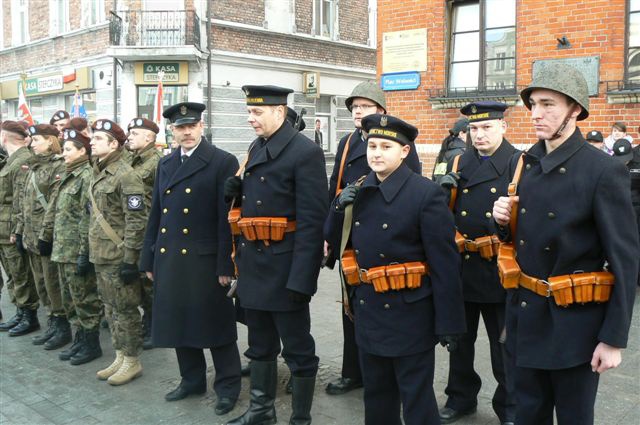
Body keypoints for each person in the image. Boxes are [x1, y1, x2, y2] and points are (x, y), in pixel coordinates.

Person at [492, 64, 638, 425]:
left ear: (575, 109)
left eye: (548, 104)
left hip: (574, 326)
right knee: (526, 415)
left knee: (574, 418)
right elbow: (521, 237)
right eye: (532, 105)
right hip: (525, 317)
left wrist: (613, 339)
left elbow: (625, 260)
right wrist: (499, 222)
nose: (536, 114)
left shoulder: (603, 171)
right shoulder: (523, 162)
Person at [324, 113, 466, 425]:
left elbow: (445, 265)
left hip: (411, 315)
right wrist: (337, 207)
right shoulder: (358, 192)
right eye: (372, 145)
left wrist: (450, 322)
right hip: (369, 311)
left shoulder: (425, 194)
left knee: (416, 400)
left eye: (385, 146)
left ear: (404, 152)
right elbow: (334, 243)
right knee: (376, 398)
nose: (376, 153)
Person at [225, 85, 328, 425]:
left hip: (286, 271)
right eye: (249, 111)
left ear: (279, 112)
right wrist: (236, 194)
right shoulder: (258, 146)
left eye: (257, 112)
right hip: (255, 266)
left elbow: (314, 223)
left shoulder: (304, 152)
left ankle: (300, 419)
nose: (250, 118)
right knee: (259, 345)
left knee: (298, 350)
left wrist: (303, 279)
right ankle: (261, 412)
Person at [139, 102, 242, 415]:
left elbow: (226, 218)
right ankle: (192, 379)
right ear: (172, 129)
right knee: (180, 323)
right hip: (170, 257)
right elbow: (156, 212)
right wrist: (148, 258)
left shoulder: (222, 162)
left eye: (191, 126)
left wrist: (227, 264)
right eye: (180, 127)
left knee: (216, 328)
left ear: (201, 126)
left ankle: (228, 387)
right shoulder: (166, 163)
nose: (186, 132)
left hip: (205, 260)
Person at [324, 81, 422, 397]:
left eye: (364, 107)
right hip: (349, 232)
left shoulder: (401, 144)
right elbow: (334, 186)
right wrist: (329, 229)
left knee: (383, 300)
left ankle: (383, 370)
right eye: (354, 108)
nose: (358, 112)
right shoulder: (348, 142)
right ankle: (353, 371)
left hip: (383, 233)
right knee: (350, 303)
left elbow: (412, 189)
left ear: (380, 110)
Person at [437, 101, 516, 425]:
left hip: (499, 270)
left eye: (486, 127)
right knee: (460, 341)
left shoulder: (519, 163)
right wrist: (440, 194)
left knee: (505, 348)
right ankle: (460, 397)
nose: (479, 134)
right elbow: (439, 218)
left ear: (503, 127)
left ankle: (511, 407)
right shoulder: (455, 160)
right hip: (462, 268)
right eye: (474, 129)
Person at [89, 118, 146, 386]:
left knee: (125, 309)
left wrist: (130, 259)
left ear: (113, 144)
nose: (92, 141)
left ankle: (132, 360)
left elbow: (136, 219)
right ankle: (120, 355)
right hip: (101, 253)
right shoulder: (98, 171)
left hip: (119, 255)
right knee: (110, 309)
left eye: (98, 138)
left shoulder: (125, 174)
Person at [45, 128, 102, 365]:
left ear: (82, 151)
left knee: (85, 298)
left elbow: (86, 218)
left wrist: (83, 253)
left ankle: (92, 343)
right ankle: (80, 338)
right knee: (70, 299)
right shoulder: (68, 175)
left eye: (69, 149)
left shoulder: (86, 176)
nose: (64, 153)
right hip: (62, 249)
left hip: (76, 249)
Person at [15, 124, 69, 350]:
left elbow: (56, 206)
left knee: (53, 282)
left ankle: (62, 325)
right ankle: (52, 321)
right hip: (30, 237)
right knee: (41, 284)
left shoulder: (60, 166)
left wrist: (46, 236)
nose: (32, 143)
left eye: (36, 139)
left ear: (50, 141)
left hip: (47, 237)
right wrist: (19, 232)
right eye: (31, 139)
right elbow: (24, 203)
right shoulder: (33, 167)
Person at [0, 121, 40, 335]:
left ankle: (29, 314)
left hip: (11, 229)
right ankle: (20, 311)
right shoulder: (10, 161)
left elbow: (21, 200)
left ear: (4, 137)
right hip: (3, 227)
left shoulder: (23, 161)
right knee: (13, 274)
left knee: (21, 273)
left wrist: (17, 230)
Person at [126, 117, 162, 350]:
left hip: (149, 229)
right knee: (139, 283)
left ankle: (154, 325)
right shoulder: (133, 160)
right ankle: (147, 321)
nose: (129, 137)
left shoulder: (157, 162)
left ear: (149, 137)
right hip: (134, 229)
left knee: (149, 284)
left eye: (135, 133)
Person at [432, 118, 469, 182]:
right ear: (462, 134)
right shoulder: (461, 153)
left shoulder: (447, 149)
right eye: (473, 130)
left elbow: (437, 177)